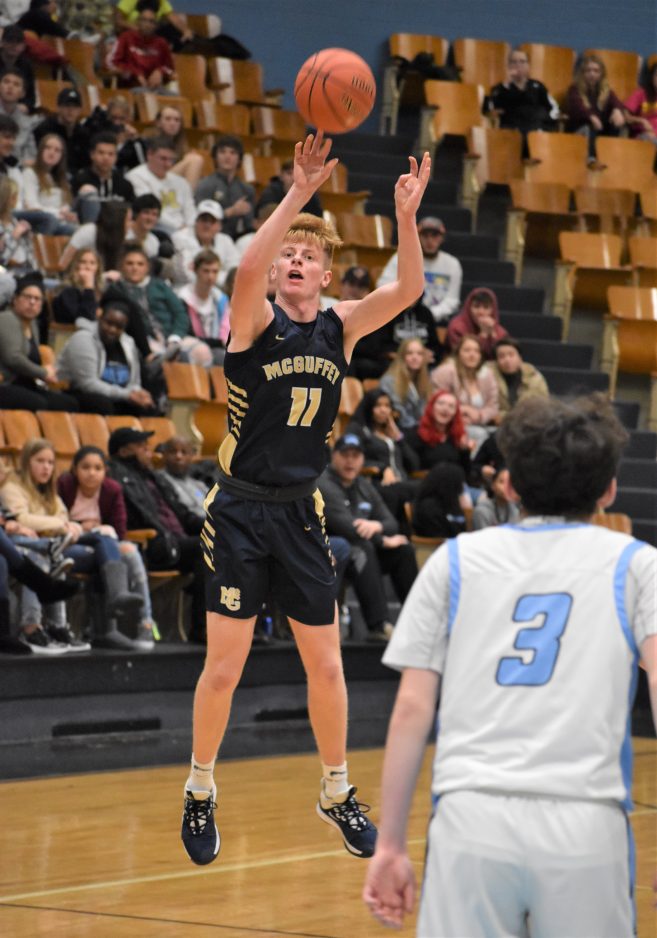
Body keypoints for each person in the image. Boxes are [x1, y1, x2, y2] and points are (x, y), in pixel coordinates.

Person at [180, 130, 430, 866]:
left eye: (307, 254)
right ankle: (199, 787)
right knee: (223, 668)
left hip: (298, 510)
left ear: (324, 272)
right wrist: (298, 192)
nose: (294, 260)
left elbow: (407, 292)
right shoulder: (253, 319)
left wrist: (405, 218)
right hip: (237, 511)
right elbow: (245, 266)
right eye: (287, 252)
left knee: (327, 665)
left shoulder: (339, 326)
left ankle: (335, 789)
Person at [363, 393, 657, 936]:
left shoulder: (454, 561)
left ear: (510, 484)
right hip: (585, 823)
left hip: (470, 820)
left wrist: (391, 845)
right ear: (610, 489)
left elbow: (411, 708)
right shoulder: (637, 564)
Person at [1, 438, 144, 651]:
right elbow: (25, 519)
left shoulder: (49, 491)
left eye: (50, 462)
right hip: (29, 545)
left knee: (105, 546)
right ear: (26, 461)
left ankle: (104, 626)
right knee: (46, 557)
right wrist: (60, 525)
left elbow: (63, 517)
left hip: (55, 541)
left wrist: (63, 526)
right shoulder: (12, 487)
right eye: (40, 461)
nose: (46, 467)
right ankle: (33, 627)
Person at [106, 425, 206, 637]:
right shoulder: (118, 477)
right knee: (205, 547)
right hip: (155, 545)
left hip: (176, 541)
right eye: (141, 446)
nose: (148, 451)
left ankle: (237, 624)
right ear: (124, 451)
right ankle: (202, 628)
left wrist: (217, 525)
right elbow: (135, 520)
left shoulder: (152, 476)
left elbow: (183, 513)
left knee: (225, 541)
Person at [319, 433, 418, 640]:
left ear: (363, 459)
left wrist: (376, 525)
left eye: (355, 456)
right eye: (345, 455)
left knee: (403, 551)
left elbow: (391, 523)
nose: (350, 461)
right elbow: (346, 527)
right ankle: (378, 625)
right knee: (362, 549)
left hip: (362, 546)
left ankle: (418, 621)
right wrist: (381, 539)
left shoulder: (364, 485)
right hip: (332, 551)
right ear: (334, 456)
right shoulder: (325, 484)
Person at [58, 445, 156, 650]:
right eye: (85, 467)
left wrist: (100, 530)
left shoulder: (112, 489)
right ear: (75, 469)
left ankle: (145, 623)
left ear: (105, 471)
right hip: (72, 544)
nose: (92, 473)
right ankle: (109, 620)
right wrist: (85, 528)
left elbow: (119, 529)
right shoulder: (64, 485)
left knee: (131, 553)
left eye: (97, 468)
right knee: (104, 543)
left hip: (104, 547)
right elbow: (57, 522)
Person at [57, 302, 158, 415]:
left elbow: (134, 382)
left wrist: (139, 394)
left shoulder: (128, 343)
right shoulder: (83, 338)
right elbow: (87, 384)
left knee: (148, 407)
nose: (112, 330)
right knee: (103, 404)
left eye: (119, 327)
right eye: (109, 323)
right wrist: (127, 395)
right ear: (100, 318)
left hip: (118, 396)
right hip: (78, 392)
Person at [0, 276, 79, 411]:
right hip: (6, 383)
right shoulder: (6, 318)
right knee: (38, 403)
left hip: (27, 384)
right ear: (15, 299)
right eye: (27, 297)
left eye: (37, 299)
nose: (32, 302)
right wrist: (43, 372)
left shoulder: (33, 325)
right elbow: (13, 358)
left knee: (68, 403)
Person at [346, 388, 420, 528]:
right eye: (378, 405)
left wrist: (398, 438)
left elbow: (414, 464)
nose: (383, 410)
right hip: (378, 484)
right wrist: (383, 468)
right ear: (369, 407)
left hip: (402, 483)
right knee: (412, 489)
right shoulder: (359, 429)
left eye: (387, 406)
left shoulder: (392, 432)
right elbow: (350, 458)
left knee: (426, 487)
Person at [377, 216, 462, 325]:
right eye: (425, 235)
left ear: (442, 238)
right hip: (402, 315)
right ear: (417, 236)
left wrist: (427, 315)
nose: (429, 240)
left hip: (436, 320)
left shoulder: (453, 264)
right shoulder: (401, 257)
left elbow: (452, 300)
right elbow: (383, 285)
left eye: (435, 235)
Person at [431, 334, 499, 451]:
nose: (472, 355)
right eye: (467, 350)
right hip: (450, 427)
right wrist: (462, 411)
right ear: (458, 353)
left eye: (476, 351)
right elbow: (437, 403)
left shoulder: (487, 375)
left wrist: (479, 416)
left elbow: (493, 406)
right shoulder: (445, 372)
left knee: (500, 435)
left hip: (481, 423)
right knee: (479, 434)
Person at [484, 48, 558, 148]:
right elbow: (489, 108)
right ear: (508, 66)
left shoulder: (538, 86)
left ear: (528, 66)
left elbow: (553, 108)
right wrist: (507, 84)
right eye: (514, 62)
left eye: (522, 61)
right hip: (512, 132)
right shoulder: (500, 88)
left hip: (536, 131)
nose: (518, 65)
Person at [126, 135, 196, 233]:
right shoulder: (136, 177)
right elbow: (149, 209)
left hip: (185, 231)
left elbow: (190, 211)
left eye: (171, 160)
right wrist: (179, 227)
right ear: (149, 154)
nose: (168, 164)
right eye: (163, 159)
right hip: (157, 229)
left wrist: (192, 229)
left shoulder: (181, 182)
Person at [194, 135, 256, 240]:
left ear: (239, 159)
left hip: (239, 239)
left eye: (233, 153)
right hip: (212, 238)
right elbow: (200, 218)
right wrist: (230, 212)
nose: (227, 156)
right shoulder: (205, 185)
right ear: (215, 157)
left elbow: (249, 224)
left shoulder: (247, 189)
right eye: (222, 152)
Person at [175, 248, 230, 365]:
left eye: (215, 272)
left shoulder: (220, 298)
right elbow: (186, 332)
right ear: (195, 270)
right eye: (206, 271)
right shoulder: (183, 297)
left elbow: (225, 329)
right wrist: (217, 343)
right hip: (192, 346)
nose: (210, 276)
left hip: (217, 347)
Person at [108, 0, 176, 93]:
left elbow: (170, 69)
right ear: (138, 21)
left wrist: (160, 71)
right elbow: (111, 64)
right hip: (131, 88)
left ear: (156, 25)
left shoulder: (161, 43)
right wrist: (134, 72)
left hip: (156, 89)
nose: (147, 25)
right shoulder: (126, 38)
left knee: (177, 98)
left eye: (151, 22)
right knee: (145, 94)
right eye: (144, 20)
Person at [566, 54, 625, 158]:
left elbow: (617, 102)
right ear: (582, 73)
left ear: (601, 73)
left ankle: (610, 157)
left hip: (600, 132)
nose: (592, 74)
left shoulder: (605, 90)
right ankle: (591, 159)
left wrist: (617, 110)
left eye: (596, 71)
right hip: (579, 131)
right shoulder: (574, 89)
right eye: (588, 70)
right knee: (589, 126)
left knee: (615, 122)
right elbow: (578, 108)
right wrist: (591, 117)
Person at [172, 200, 239, 287]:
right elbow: (189, 276)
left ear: (219, 226)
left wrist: (207, 274)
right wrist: (219, 275)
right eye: (204, 220)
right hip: (184, 289)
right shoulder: (180, 238)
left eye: (212, 221)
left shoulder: (226, 240)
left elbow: (234, 274)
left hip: (217, 291)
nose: (207, 225)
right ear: (196, 221)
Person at [71, 132, 135, 224]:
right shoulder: (80, 180)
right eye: (101, 153)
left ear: (116, 157)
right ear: (92, 154)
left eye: (111, 154)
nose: (106, 158)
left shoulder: (125, 185)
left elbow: (132, 213)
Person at [21, 132, 77, 234]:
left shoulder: (63, 178)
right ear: (40, 150)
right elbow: (31, 205)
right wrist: (58, 213)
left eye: (57, 150)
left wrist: (67, 213)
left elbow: (66, 204)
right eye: (47, 148)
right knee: (61, 226)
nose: (52, 153)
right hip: (41, 222)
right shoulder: (30, 173)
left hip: (61, 221)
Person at [33, 86, 90, 175]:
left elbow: (86, 163)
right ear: (58, 107)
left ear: (80, 110)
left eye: (75, 106)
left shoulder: (84, 134)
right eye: (67, 105)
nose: (71, 110)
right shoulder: (44, 129)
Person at [379, 337, 432, 431]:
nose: (415, 357)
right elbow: (399, 415)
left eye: (419, 354)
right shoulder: (389, 381)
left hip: (420, 429)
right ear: (402, 356)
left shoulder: (424, 380)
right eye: (409, 353)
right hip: (401, 430)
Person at [491, 336, 549, 419]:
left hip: (527, 422)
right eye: (502, 356)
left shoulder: (534, 378)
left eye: (511, 355)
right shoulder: (488, 377)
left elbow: (543, 406)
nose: (507, 360)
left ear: (520, 358)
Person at [445, 286, 508, 359]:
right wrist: (483, 334)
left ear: (492, 311)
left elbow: (501, 357)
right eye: (476, 306)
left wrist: (493, 335)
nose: (481, 312)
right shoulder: (456, 327)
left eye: (486, 307)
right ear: (468, 308)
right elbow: (464, 357)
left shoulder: (500, 332)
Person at [157, 435, 207, 520]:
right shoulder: (159, 481)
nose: (178, 456)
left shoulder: (199, 485)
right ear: (164, 455)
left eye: (184, 452)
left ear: (191, 456)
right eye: (173, 452)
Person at [52, 247, 104, 324]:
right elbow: (84, 320)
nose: (88, 267)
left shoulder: (99, 291)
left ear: (97, 268)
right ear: (75, 266)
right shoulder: (67, 290)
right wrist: (88, 287)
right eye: (83, 262)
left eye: (92, 263)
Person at [256, 158, 323, 217]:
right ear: (281, 176)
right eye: (289, 173)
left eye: (298, 174)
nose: (293, 178)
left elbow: (318, 218)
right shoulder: (270, 192)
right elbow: (264, 216)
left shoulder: (310, 193)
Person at [0, 67, 35, 164]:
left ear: (22, 93)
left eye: (16, 84)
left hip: (17, 168)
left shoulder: (26, 122)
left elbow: (31, 156)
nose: (10, 86)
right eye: (6, 82)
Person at [472, 465, 520, 529]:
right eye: (502, 482)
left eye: (510, 483)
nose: (507, 487)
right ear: (493, 485)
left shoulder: (515, 509)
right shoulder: (482, 510)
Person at [0, 26, 35, 112]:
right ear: (2, 42)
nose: (14, 45)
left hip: (16, 109)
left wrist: (25, 106)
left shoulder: (27, 65)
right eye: (10, 41)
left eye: (18, 42)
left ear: (23, 46)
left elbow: (30, 96)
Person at [624, 61, 657, 144]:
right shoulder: (640, 93)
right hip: (644, 135)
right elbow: (626, 116)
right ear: (652, 77)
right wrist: (641, 120)